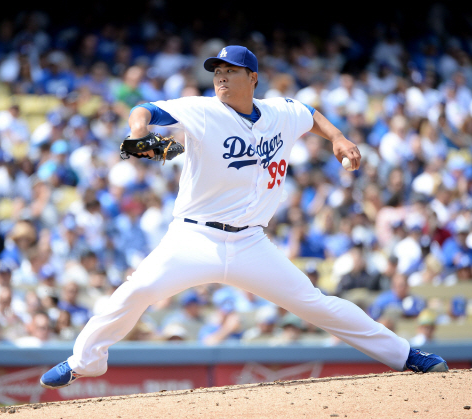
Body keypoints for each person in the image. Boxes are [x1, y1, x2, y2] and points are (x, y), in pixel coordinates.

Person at [40, 45, 448, 389]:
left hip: (251, 242)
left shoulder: (279, 112)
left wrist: (338, 137)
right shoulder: (203, 110)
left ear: (252, 78)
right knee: (137, 290)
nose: (220, 76)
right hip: (193, 238)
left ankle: (406, 355)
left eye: (230, 70)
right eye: (216, 70)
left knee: (317, 304)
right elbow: (144, 109)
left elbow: (309, 113)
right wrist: (138, 132)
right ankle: (84, 361)